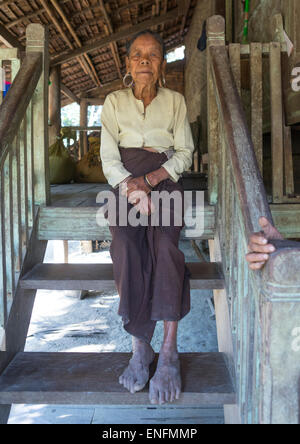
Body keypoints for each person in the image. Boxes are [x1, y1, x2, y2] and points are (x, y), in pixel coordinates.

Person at [100, 30, 194, 405]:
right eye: (137, 55)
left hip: (164, 177)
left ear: (161, 64)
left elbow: (185, 152)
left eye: (152, 55)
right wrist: (132, 186)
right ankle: (141, 346)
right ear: (127, 63)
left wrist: (153, 179)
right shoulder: (113, 101)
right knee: (124, 244)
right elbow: (108, 157)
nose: (143, 60)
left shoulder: (175, 101)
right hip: (122, 180)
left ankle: (169, 349)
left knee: (166, 246)